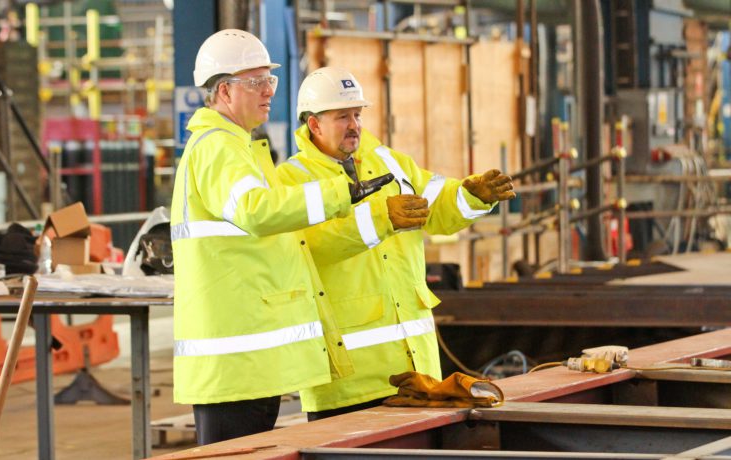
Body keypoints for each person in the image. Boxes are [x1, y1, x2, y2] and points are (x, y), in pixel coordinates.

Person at [171, 32, 392, 444]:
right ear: (223, 90)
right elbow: (255, 210)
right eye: (255, 82)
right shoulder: (217, 147)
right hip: (236, 361)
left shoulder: (237, 146)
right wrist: (340, 194)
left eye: (269, 80)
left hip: (249, 359)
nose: (269, 90)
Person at [277, 67, 516, 420]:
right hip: (349, 381)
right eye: (342, 117)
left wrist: (471, 196)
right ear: (314, 125)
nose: (355, 125)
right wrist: (381, 218)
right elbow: (308, 246)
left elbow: (435, 203)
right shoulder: (291, 180)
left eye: (357, 115)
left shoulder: (388, 161)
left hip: (417, 372)